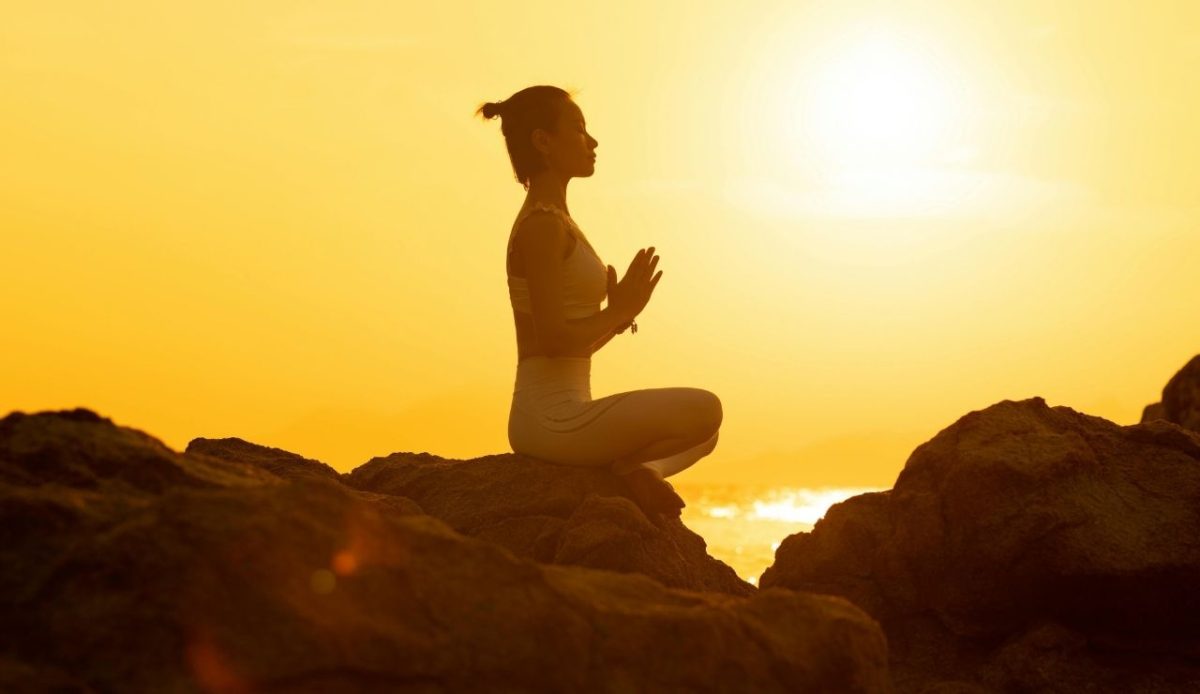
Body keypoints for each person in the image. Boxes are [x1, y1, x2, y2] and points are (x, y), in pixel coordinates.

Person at [476, 85, 722, 517]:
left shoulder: (561, 222)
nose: (592, 141)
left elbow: (572, 345)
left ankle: (640, 469)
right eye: (578, 129)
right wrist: (619, 311)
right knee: (705, 409)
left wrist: (621, 316)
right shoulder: (541, 227)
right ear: (543, 141)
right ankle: (634, 468)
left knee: (706, 433)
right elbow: (552, 341)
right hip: (547, 419)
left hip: (570, 410)